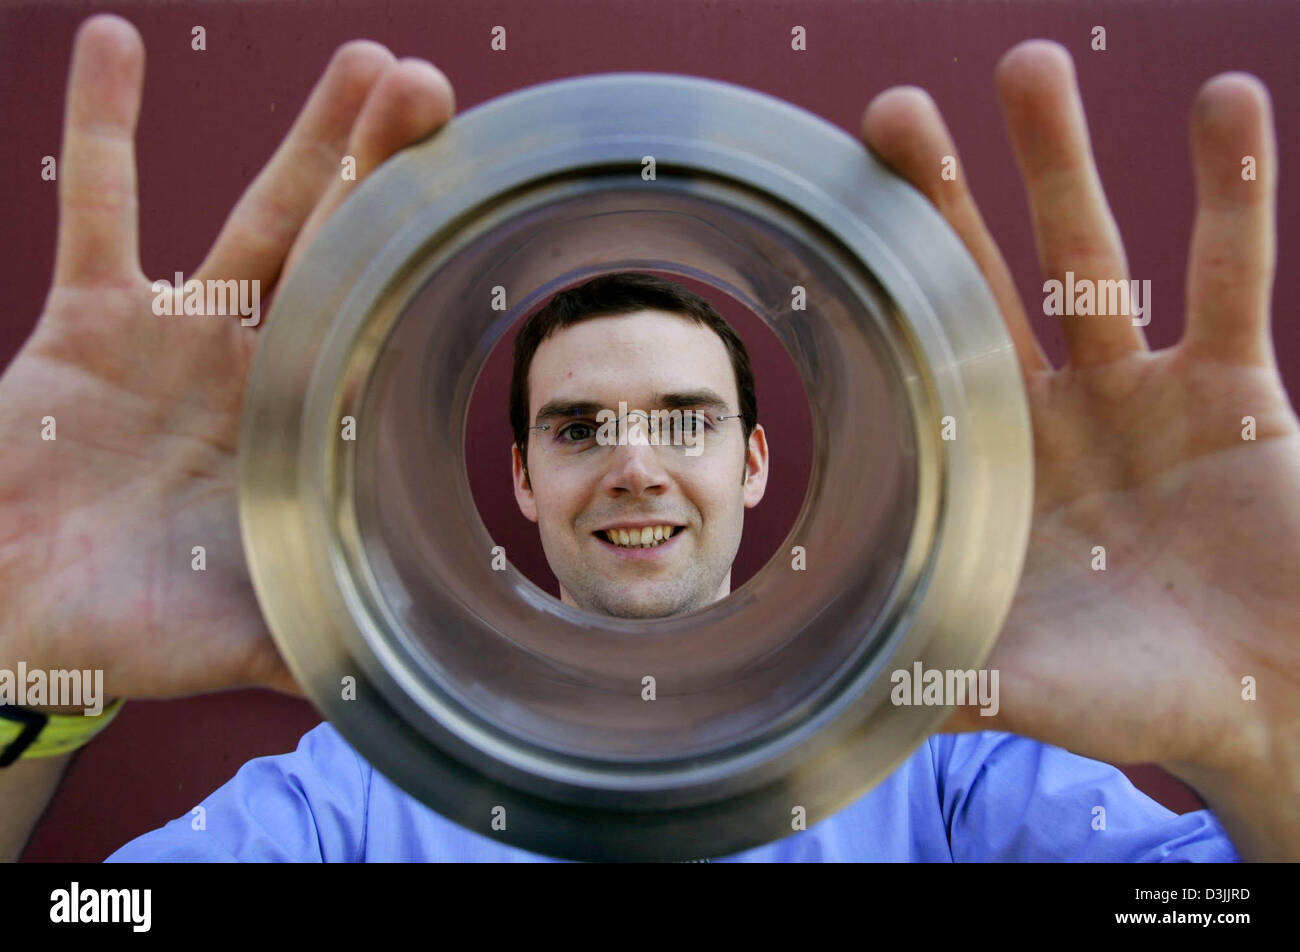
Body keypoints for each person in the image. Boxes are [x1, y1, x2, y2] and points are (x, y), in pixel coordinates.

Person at [0, 13, 1295, 862]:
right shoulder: (357, 800)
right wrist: (21, 674)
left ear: (757, 460)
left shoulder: (942, 763)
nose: (633, 462)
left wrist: (1269, 729)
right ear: (519, 475)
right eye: (577, 426)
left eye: (685, 417)